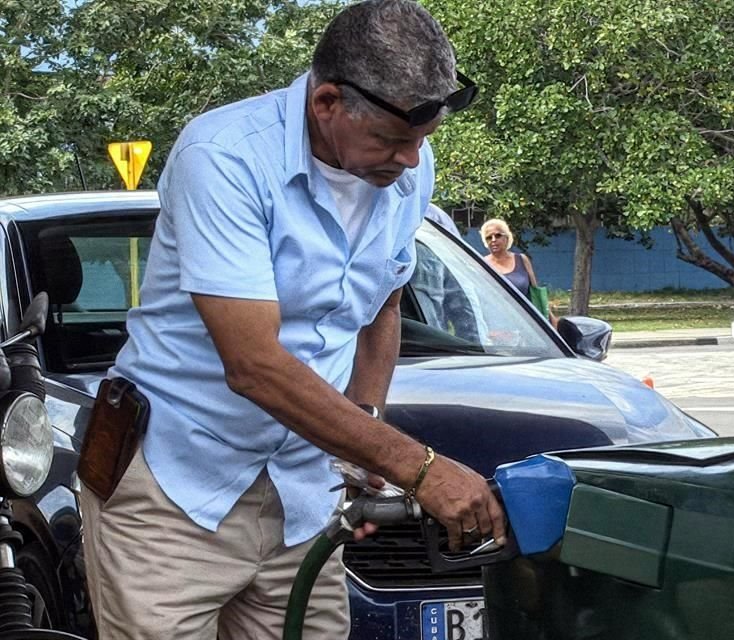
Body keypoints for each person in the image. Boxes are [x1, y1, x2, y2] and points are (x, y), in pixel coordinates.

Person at [79, 2, 505, 639]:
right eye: (392, 141)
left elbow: (383, 302)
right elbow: (253, 366)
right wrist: (416, 467)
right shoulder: (223, 157)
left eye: (421, 141)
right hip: (172, 489)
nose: (412, 162)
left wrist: (364, 432)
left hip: (300, 494)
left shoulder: (406, 172)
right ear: (327, 101)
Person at [480, 218, 558, 327]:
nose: (493, 240)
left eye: (498, 235)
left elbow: (536, 294)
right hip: (497, 326)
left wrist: (552, 321)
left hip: (526, 325)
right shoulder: (482, 264)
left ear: (506, 238)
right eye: (488, 237)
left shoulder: (522, 259)